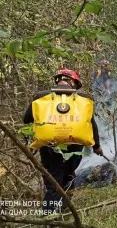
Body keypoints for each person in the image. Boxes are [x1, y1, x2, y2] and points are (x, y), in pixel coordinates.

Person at [23, 68, 103, 214]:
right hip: (75, 147)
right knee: (69, 177)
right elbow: (91, 124)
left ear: (58, 80)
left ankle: (50, 216)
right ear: (73, 82)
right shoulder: (82, 100)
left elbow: (26, 119)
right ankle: (64, 213)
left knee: (53, 183)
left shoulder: (42, 98)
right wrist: (96, 146)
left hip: (49, 148)